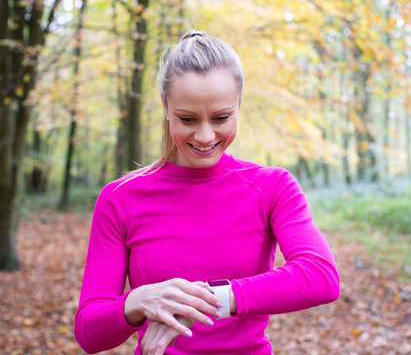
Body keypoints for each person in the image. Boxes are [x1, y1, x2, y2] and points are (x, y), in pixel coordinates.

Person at [74, 31, 340, 355]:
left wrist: (211, 300)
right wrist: (137, 300)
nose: (204, 135)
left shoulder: (272, 187)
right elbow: (89, 333)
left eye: (221, 118)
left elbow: (320, 275)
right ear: (166, 107)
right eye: (187, 118)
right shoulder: (120, 198)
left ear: (239, 105)